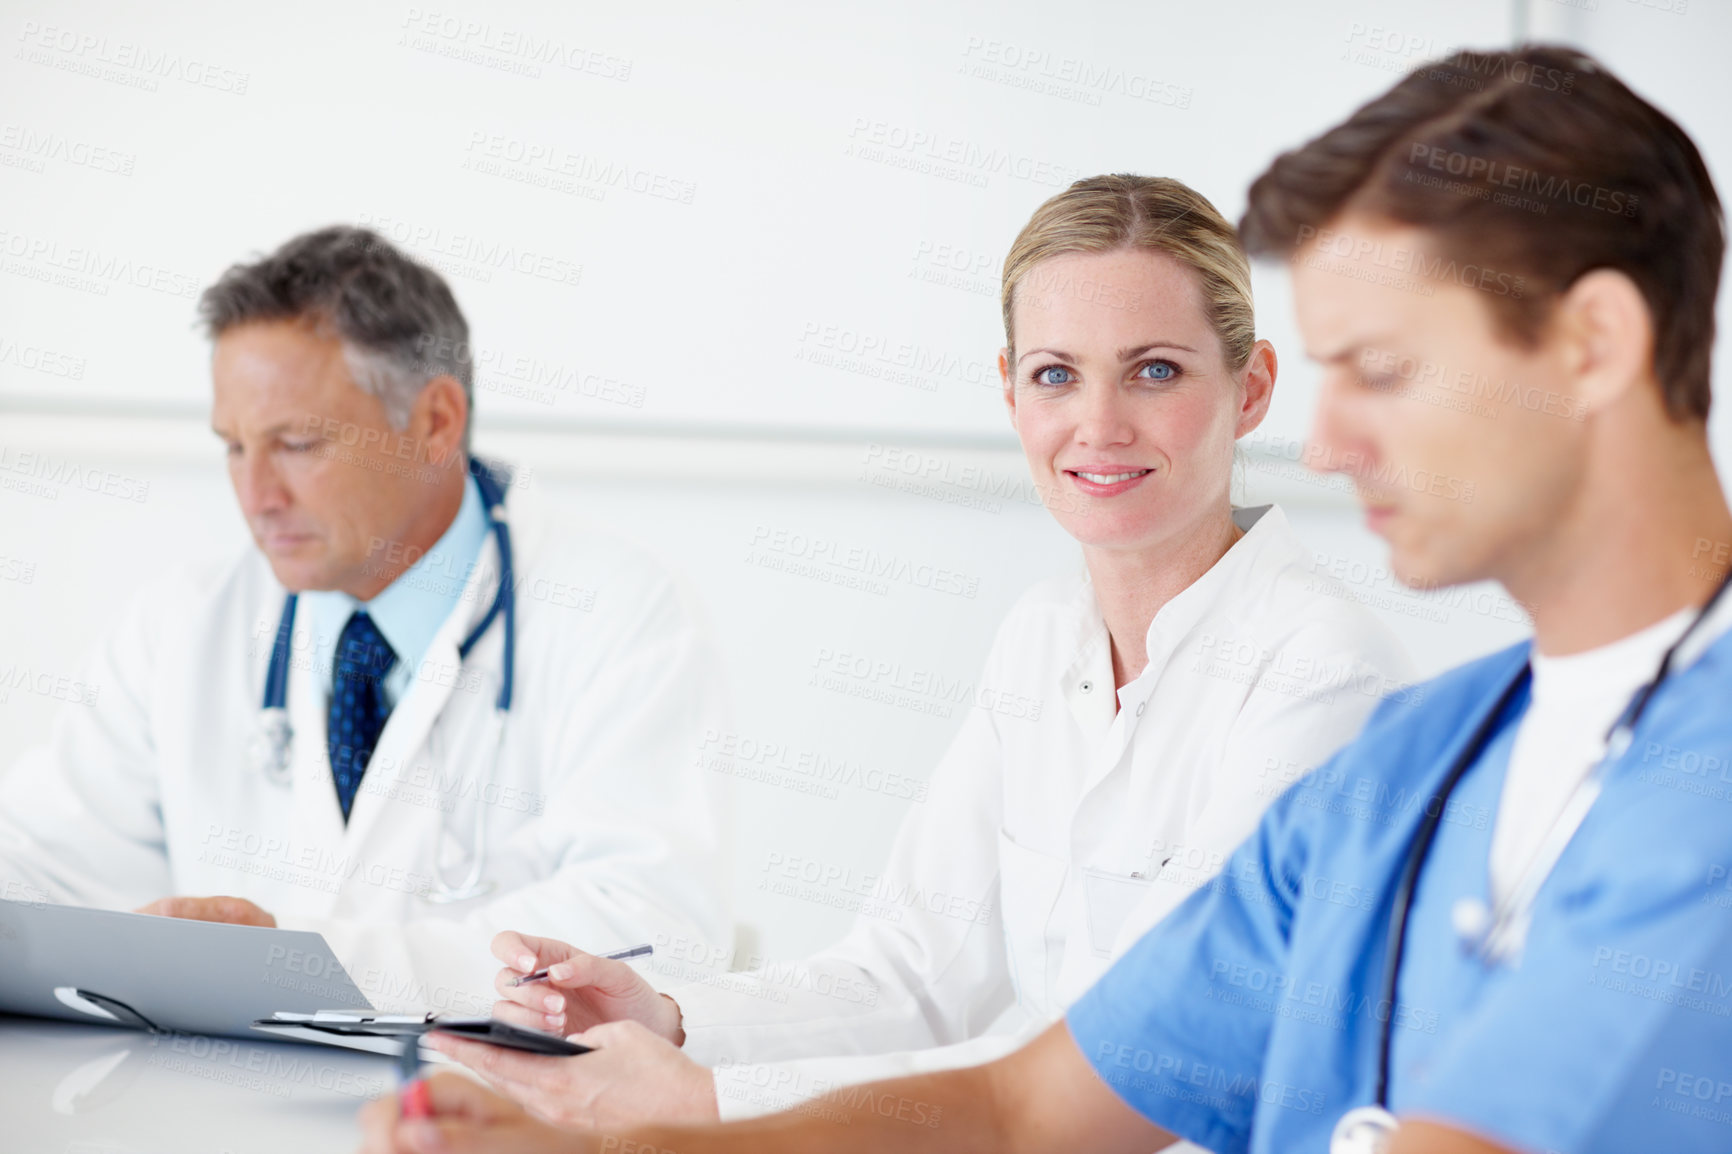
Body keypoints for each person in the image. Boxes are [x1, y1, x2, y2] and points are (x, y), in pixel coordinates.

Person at [359, 44, 1732, 1154]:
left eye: (1384, 369)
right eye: (1056, 373)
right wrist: (630, 1127)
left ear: (1593, 344)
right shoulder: (1417, 765)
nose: (1327, 441)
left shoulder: (1674, 768)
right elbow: (1031, 1104)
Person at [419, 176, 1408, 1133]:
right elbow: (908, 972)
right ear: (1011, 391)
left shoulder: (1323, 669)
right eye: (1055, 373)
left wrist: (709, 1102)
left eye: (1154, 369)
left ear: (1252, 388)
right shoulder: (1039, 639)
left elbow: (1136, 1059)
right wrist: (672, 1022)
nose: (1098, 425)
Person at [0, 226, 731, 1013]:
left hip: (496, 1121)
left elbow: (657, 931)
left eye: (299, 443)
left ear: (437, 422)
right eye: (234, 447)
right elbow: (38, 868)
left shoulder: (618, 614)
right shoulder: (182, 624)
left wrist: (298, 961)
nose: (256, 495)